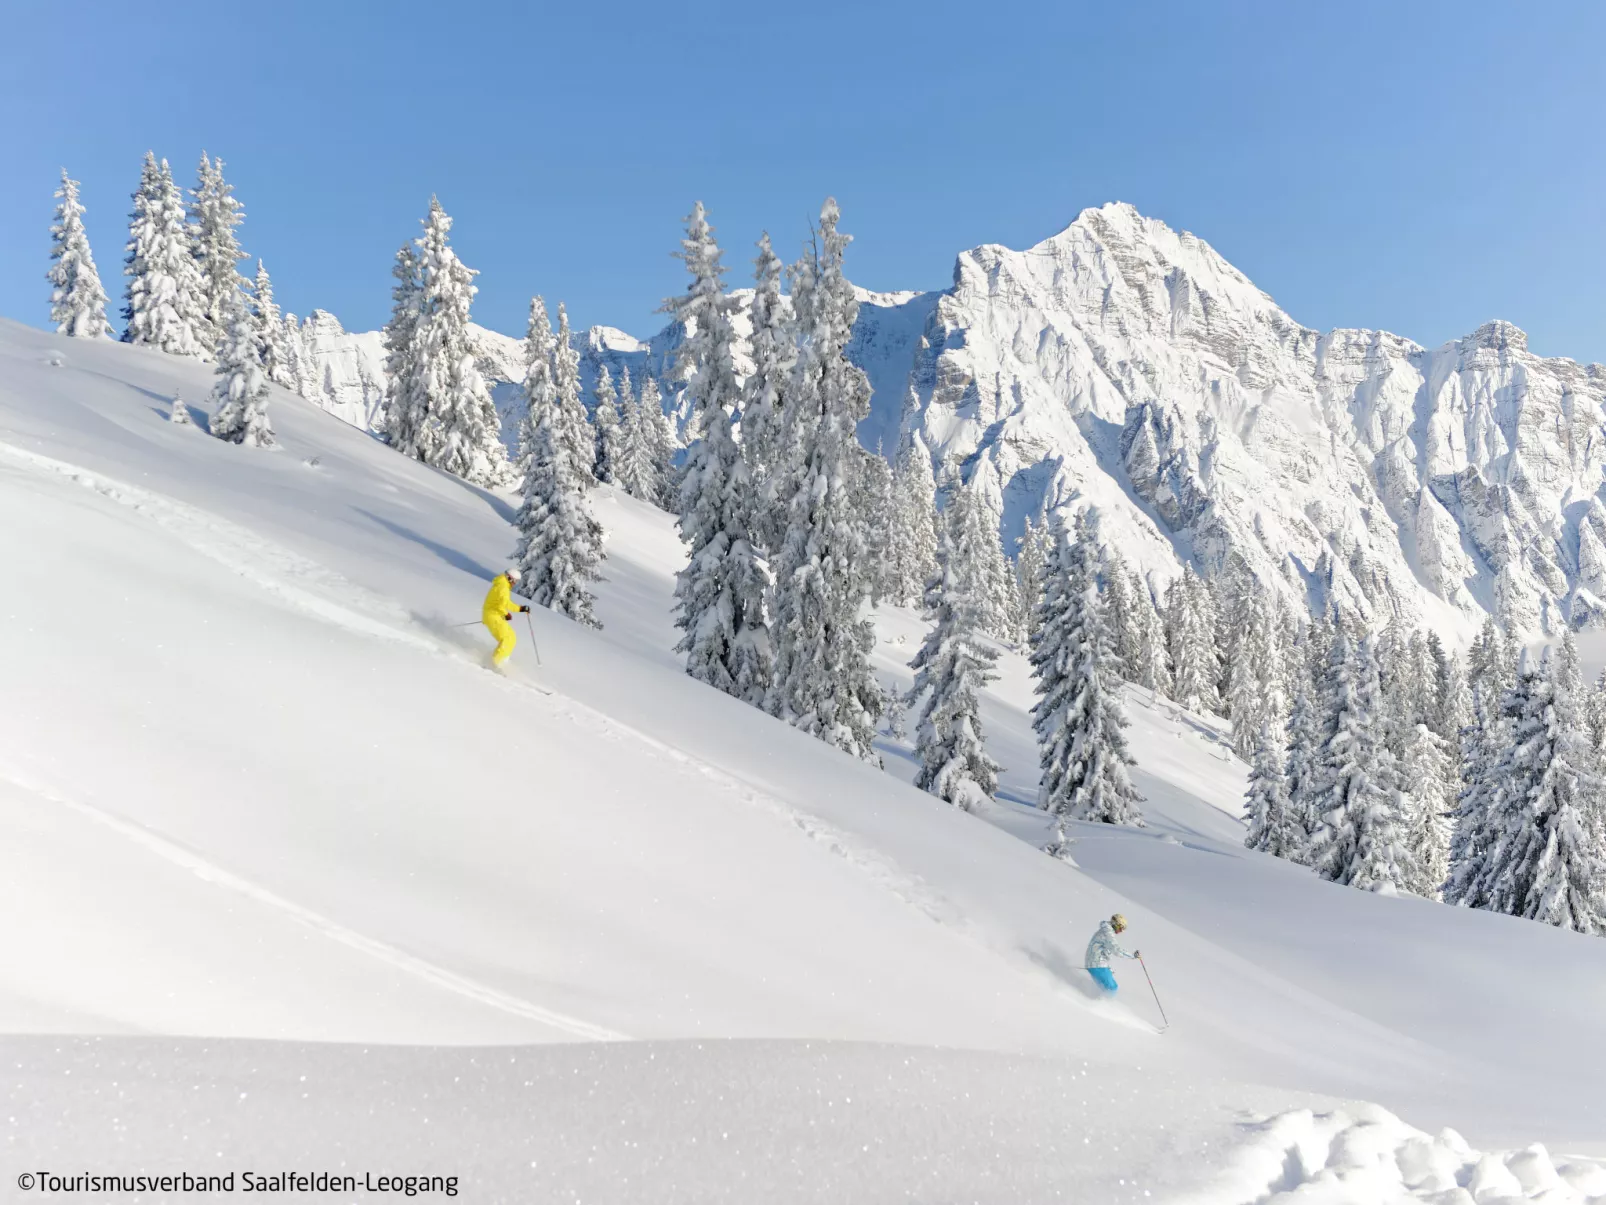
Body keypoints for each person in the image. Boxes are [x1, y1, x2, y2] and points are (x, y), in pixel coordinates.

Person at [483, 569, 531, 669]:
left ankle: (496, 659)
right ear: (509, 578)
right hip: (493, 616)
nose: (515, 583)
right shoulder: (503, 587)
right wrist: (506, 614)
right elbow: (502, 605)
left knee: (511, 637)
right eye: (515, 581)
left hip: (494, 615)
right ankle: (494, 662)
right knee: (507, 638)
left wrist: (520, 609)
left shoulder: (503, 585)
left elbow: (504, 603)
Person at [1085, 912, 1140, 993]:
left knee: (1106, 986)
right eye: (1120, 927)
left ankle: (1098, 998)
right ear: (1115, 924)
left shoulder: (1106, 931)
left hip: (1096, 963)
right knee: (1112, 988)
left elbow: (1104, 950)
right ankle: (1104, 1003)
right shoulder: (1108, 934)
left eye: (1123, 928)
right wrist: (1132, 956)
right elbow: (1116, 950)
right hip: (1097, 964)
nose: (1121, 931)